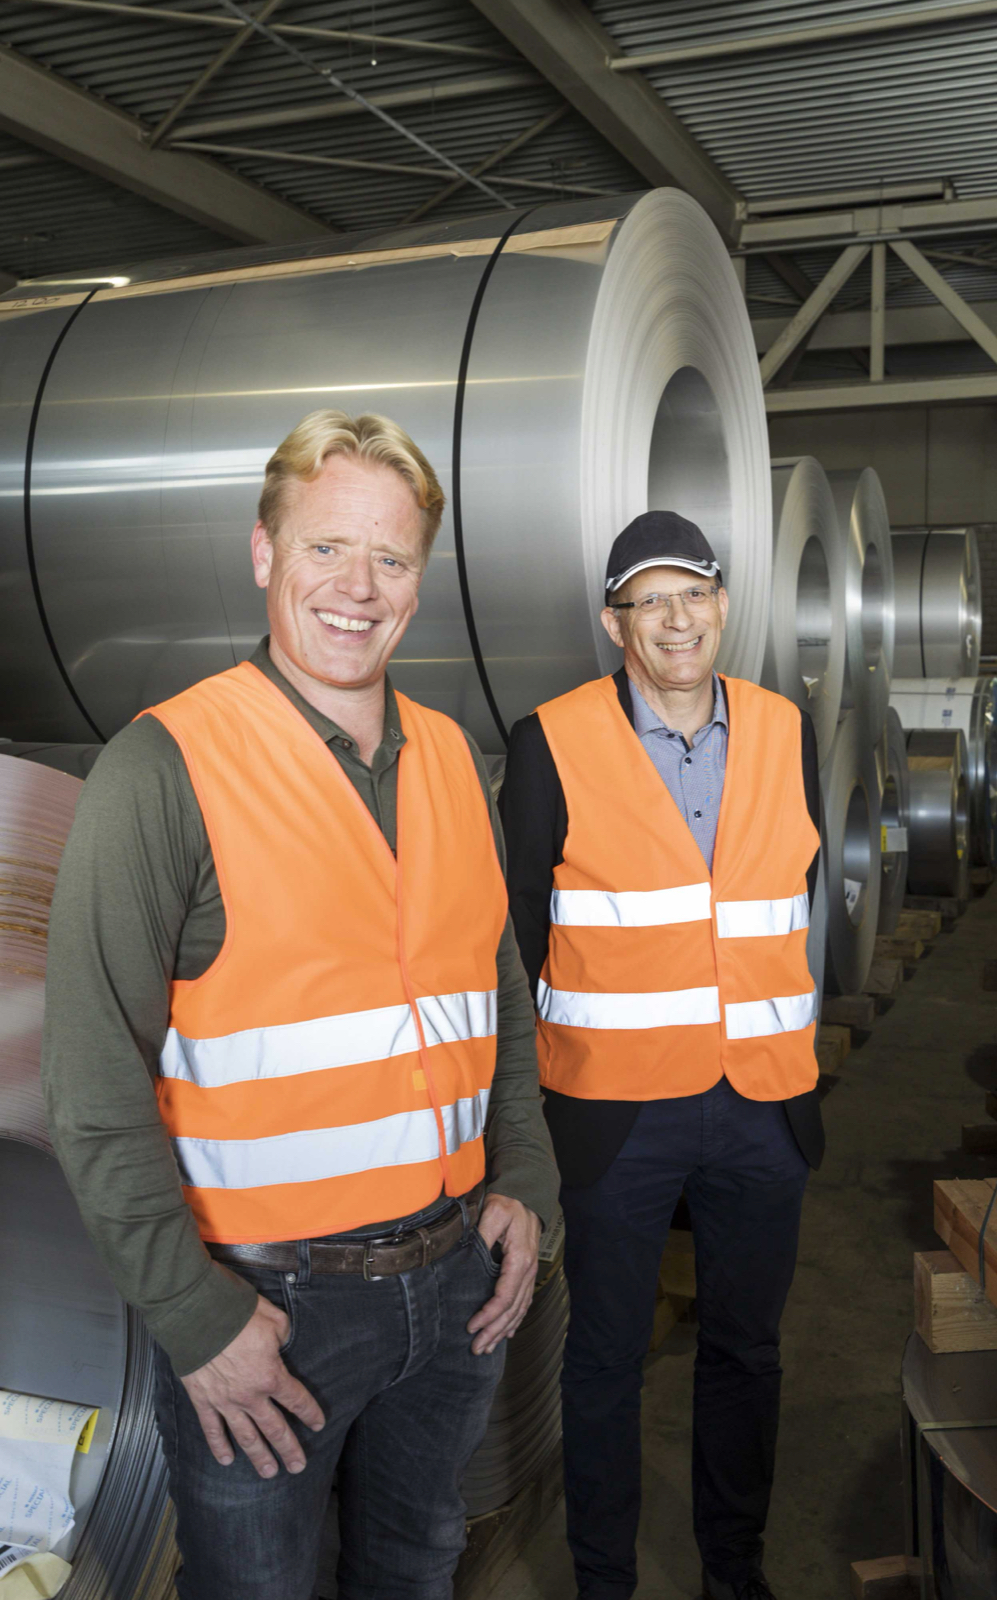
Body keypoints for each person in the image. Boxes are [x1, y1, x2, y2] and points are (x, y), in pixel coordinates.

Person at [41, 410, 558, 1600]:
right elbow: (93, 1084)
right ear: (264, 553)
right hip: (264, 1306)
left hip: (456, 1281)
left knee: (417, 1566)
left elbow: (499, 1004)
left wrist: (526, 1184)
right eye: (326, 548)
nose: (357, 588)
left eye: (389, 559)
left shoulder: (453, 762)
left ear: (420, 585)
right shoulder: (161, 769)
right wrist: (193, 1315)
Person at [500, 510, 824, 1600]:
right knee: (600, 1361)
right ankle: (604, 1583)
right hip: (611, 1114)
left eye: (694, 591)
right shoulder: (547, 740)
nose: (677, 618)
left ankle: (734, 1573)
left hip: (762, 1105)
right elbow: (520, 940)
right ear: (613, 621)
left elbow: (793, 904)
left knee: (747, 1352)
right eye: (649, 598)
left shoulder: (788, 730)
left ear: (724, 603)